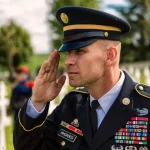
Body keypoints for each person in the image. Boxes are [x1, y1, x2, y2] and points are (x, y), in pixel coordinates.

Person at [14, 6, 150, 150]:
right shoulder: (71, 105)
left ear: (110, 55)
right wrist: (38, 102)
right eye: (68, 52)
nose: (68, 61)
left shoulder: (145, 105)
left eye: (80, 51)